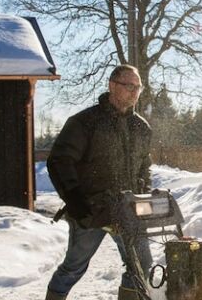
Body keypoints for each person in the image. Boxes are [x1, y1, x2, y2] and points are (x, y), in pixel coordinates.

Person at [45, 65, 153, 300]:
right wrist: (75, 201)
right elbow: (59, 161)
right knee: (74, 267)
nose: (135, 92)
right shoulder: (85, 122)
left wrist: (143, 192)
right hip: (91, 210)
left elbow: (145, 165)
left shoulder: (141, 127)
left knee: (141, 265)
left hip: (128, 210)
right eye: (129, 86)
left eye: (138, 87)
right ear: (112, 86)